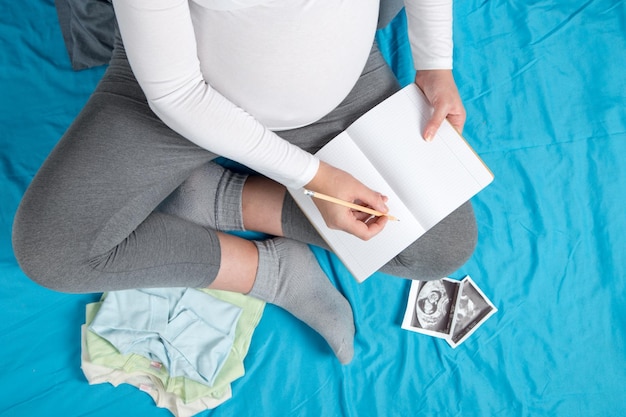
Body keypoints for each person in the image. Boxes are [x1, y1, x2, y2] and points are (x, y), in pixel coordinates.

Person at [12, 0, 477, 364]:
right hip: (182, 101)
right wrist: (315, 178)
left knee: (441, 245)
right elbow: (176, 93)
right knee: (53, 251)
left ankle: (224, 198)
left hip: (340, 87)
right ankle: (271, 273)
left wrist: (435, 62)